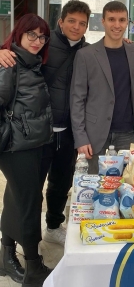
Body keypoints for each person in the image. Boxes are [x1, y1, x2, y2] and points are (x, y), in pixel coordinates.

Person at [0, 0, 91, 246]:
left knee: (61, 181)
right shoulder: (44, 45)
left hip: (68, 131)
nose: (76, 26)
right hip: (37, 133)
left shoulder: (88, 51)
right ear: (61, 21)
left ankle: (53, 225)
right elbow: (15, 54)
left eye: (82, 23)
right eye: (71, 20)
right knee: (28, 190)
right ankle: (12, 241)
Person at [0, 14, 52, 285]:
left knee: (17, 198)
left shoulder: (31, 64)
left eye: (42, 36)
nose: (37, 41)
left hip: (34, 145)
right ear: (18, 34)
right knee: (31, 204)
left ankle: (5, 256)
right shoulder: (9, 63)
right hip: (16, 148)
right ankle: (34, 266)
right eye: (31, 34)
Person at [70, 1, 134, 174]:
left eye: (121, 20)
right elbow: (77, 99)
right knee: (96, 188)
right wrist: (80, 138)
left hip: (126, 133)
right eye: (111, 19)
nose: (117, 25)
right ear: (103, 21)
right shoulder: (86, 55)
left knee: (125, 188)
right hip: (95, 135)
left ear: (127, 22)